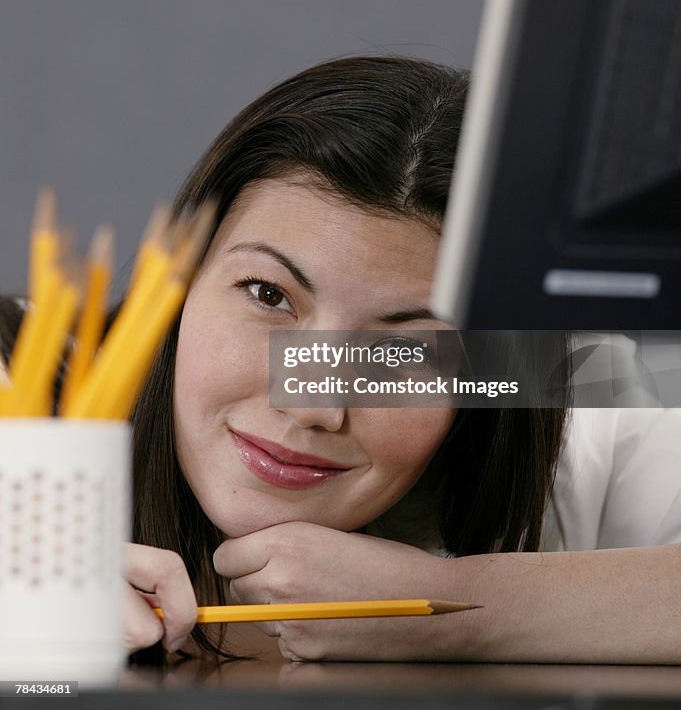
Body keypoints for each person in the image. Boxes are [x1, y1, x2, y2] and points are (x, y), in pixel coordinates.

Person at [3, 56, 681, 664]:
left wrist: (452, 608)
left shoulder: (579, 408)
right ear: (181, 283)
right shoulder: (20, 377)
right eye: (268, 296)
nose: (311, 404)